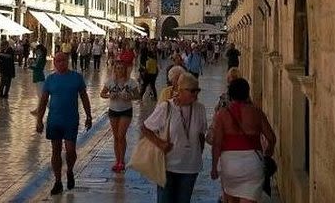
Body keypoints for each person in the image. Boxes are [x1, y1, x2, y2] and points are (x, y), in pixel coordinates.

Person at [142, 73, 207, 203]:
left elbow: (201, 135)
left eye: (197, 90)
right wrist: (160, 143)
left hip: (190, 167)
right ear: (180, 90)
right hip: (168, 166)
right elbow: (145, 128)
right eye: (192, 91)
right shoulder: (166, 107)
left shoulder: (200, 109)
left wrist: (197, 153)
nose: (196, 94)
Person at [35, 51, 93, 195]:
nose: (61, 63)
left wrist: (89, 115)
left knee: (71, 150)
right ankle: (58, 181)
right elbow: (43, 101)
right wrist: (39, 120)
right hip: (54, 120)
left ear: (67, 61)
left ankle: (70, 170)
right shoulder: (50, 79)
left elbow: (84, 97)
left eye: (63, 60)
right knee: (55, 150)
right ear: (54, 63)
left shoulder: (76, 78)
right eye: (58, 61)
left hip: (71, 119)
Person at [211, 78, 276, 203]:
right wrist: (268, 151)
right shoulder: (256, 113)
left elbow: (217, 143)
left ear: (230, 94)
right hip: (252, 165)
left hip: (230, 165)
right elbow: (271, 137)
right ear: (247, 93)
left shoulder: (222, 115)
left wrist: (214, 167)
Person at [100, 57, 140, 172]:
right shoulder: (110, 81)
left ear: (125, 70)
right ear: (115, 70)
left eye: (122, 68)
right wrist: (109, 96)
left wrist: (129, 97)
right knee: (116, 137)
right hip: (113, 110)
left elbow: (137, 96)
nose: (120, 70)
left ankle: (122, 161)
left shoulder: (131, 82)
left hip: (126, 110)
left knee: (121, 135)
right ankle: (117, 160)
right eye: (118, 68)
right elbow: (102, 93)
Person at [29, 42, 48, 116]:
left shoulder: (41, 58)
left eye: (37, 50)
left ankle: (51, 108)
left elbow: (38, 68)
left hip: (39, 77)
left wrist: (30, 66)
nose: (36, 51)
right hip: (37, 77)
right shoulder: (39, 57)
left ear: (40, 50)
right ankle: (38, 110)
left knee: (41, 96)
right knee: (39, 95)